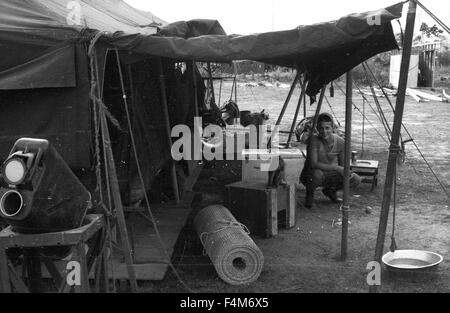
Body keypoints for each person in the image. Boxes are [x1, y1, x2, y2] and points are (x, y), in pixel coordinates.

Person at [300, 113, 361, 208]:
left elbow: (343, 165)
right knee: (316, 174)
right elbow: (313, 164)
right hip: (312, 174)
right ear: (317, 128)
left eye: (327, 128)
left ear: (333, 128)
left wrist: (346, 171)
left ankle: (331, 190)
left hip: (329, 173)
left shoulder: (340, 142)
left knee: (355, 178)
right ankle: (309, 194)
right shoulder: (313, 140)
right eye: (321, 128)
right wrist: (337, 168)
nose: (324, 131)